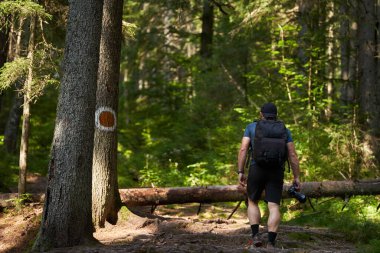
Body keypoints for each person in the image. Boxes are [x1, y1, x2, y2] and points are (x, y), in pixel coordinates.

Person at [237, 102, 301, 249]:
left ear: (261, 114)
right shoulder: (284, 129)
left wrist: (240, 171)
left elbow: (243, 149)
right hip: (276, 170)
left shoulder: (251, 127)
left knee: (252, 201)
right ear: (276, 115)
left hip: (256, 168)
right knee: (273, 206)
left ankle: (255, 236)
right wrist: (296, 177)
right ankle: (271, 242)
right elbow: (292, 154)